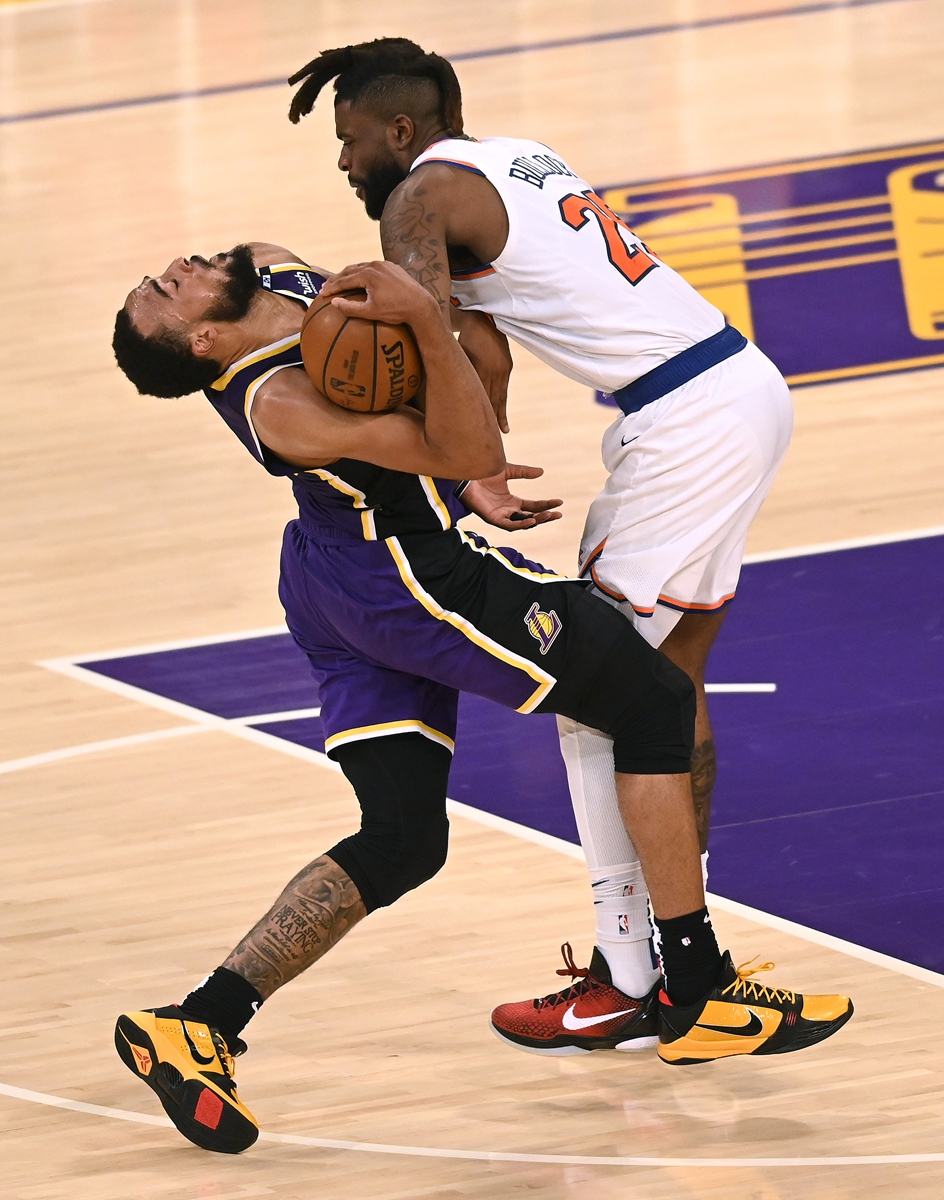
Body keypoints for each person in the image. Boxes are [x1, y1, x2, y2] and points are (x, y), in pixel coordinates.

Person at [109, 244, 849, 1154]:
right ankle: (701, 988)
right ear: (207, 340)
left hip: (331, 579)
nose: (170, 268)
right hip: (412, 587)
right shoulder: (283, 406)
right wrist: (427, 328)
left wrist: (459, 467)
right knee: (652, 700)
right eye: (164, 293)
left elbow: (449, 445)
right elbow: (468, 446)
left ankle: (200, 1022)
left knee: (404, 839)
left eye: (160, 276)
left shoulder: (269, 266)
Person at [286, 37, 796, 1048]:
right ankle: (669, 960)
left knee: (593, 693)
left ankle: (632, 977)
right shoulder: (513, 156)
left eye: (348, 141)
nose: (342, 163)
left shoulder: (414, 205)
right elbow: (480, 338)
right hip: (737, 390)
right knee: (666, 691)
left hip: (685, 427)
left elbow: (425, 334)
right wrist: (477, 461)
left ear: (398, 130)